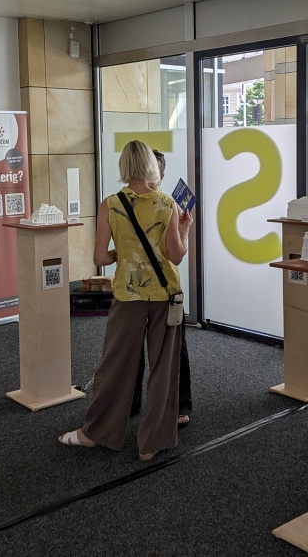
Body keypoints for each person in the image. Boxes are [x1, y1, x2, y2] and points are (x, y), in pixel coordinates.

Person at [59, 140, 193, 461]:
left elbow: (100, 258)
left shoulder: (110, 204)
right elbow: (176, 256)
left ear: (124, 166)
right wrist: (185, 229)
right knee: (164, 368)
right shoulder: (167, 203)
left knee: (115, 364)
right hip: (164, 294)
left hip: (127, 294)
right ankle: (152, 443)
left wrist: (124, 252)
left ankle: (96, 432)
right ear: (151, 165)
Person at [130, 150, 193, 428]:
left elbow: (175, 255)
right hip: (138, 288)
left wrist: (183, 229)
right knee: (133, 350)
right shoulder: (124, 203)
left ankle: (178, 405)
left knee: (173, 350)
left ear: (161, 175)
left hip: (160, 288)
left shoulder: (169, 205)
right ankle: (131, 403)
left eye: (151, 170)